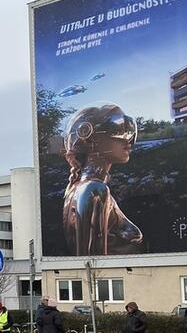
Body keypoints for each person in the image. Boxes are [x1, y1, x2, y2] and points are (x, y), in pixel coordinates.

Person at [61, 104, 143, 255]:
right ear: (89, 137)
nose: (129, 140)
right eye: (118, 129)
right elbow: (93, 265)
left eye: (129, 130)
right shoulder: (94, 190)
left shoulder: (78, 187)